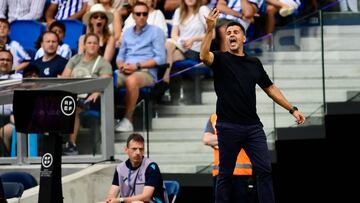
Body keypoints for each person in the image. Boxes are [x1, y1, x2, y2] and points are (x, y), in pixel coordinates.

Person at [200, 9, 306, 203]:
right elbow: (204, 56)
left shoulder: (254, 63)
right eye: (228, 33)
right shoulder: (220, 59)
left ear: (244, 38)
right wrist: (209, 29)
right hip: (228, 126)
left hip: (252, 127)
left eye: (236, 32)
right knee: (225, 173)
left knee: (264, 170)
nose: (231, 34)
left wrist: (292, 109)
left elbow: (270, 88)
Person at [114, 2, 166, 132]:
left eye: (145, 14)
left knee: (131, 80)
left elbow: (161, 59)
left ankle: (128, 120)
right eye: (138, 14)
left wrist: (136, 66)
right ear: (133, 16)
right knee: (108, 79)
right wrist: (121, 66)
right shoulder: (126, 33)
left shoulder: (156, 32)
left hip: (146, 72)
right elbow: (119, 57)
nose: (142, 16)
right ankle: (107, 119)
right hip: (126, 69)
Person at [61, 33, 112, 155]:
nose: (92, 45)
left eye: (95, 43)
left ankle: (71, 145)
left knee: (72, 108)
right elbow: (64, 78)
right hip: (72, 95)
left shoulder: (103, 63)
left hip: (91, 99)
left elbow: (105, 83)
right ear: (84, 45)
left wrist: (96, 92)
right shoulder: (75, 59)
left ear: (98, 46)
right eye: (89, 42)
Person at [203, 113, 257, 203]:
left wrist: (220, 142)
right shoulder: (214, 117)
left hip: (242, 175)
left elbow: (245, 137)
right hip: (220, 174)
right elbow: (206, 139)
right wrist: (230, 139)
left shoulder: (246, 114)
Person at [102, 133, 167, 203]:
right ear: (126, 150)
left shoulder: (151, 167)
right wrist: (110, 200)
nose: (138, 152)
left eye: (141, 149)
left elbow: (146, 197)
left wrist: (121, 200)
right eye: (134, 149)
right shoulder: (120, 168)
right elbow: (112, 194)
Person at [0, 50, 20, 156]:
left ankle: (7, 159)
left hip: (12, 117)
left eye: (8, 60)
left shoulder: (19, 79)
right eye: (2, 59)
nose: (5, 62)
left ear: (12, 63)